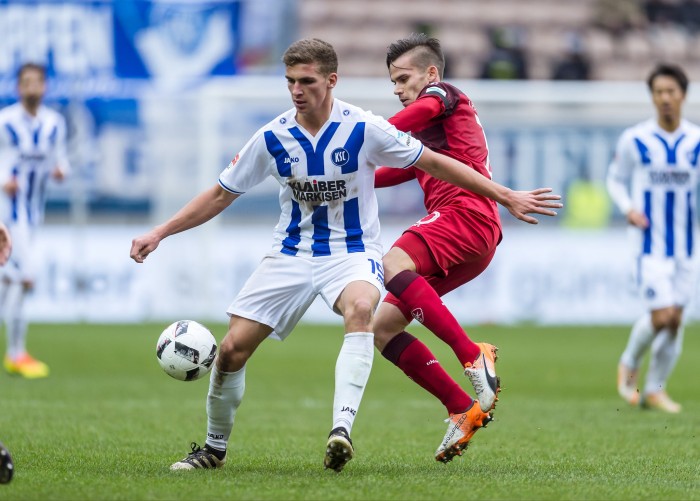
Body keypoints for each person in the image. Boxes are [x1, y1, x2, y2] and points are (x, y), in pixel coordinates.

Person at [130, 38, 560, 473]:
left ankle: (346, 427)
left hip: (357, 250)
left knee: (363, 304)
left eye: (307, 81)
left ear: (331, 81)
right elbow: (222, 194)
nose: (297, 90)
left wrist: (504, 194)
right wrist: (162, 232)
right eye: (290, 81)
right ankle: (214, 449)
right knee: (236, 350)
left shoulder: (388, 117)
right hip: (291, 252)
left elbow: (429, 159)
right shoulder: (273, 136)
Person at [372, 33, 559, 464]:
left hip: (464, 214)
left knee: (392, 263)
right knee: (382, 327)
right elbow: (393, 172)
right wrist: (344, 177)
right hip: (475, 235)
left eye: (403, 79)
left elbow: (418, 111)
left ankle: (472, 353)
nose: (398, 91)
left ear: (431, 73)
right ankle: (461, 408)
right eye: (393, 84)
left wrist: (365, 133)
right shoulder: (422, 135)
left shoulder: (446, 96)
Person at [606, 63, 700, 414]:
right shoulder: (635, 139)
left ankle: (657, 390)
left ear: (683, 96)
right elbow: (614, 179)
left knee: (676, 320)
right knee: (662, 316)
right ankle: (629, 362)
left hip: (687, 247)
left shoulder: (696, 141)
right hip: (649, 246)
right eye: (658, 92)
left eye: (671, 92)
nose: (665, 98)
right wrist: (628, 207)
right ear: (653, 97)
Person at [0, 63, 69, 379]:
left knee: (9, 282)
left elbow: (61, 161)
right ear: (18, 88)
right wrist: (4, 180)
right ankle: (16, 353)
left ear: (44, 87)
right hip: (9, 214)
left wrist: (60, 171)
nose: (31, 87)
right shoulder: (5, 122)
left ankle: (14, 353)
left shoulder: (55, 123)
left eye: (36, 82)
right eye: (25, 82)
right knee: (26, 277)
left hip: (33, 213)